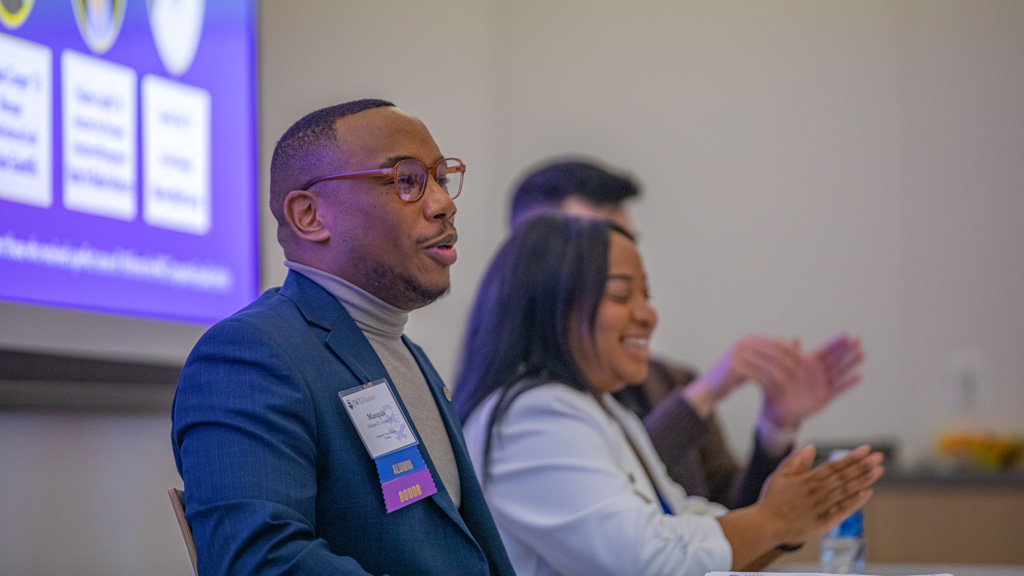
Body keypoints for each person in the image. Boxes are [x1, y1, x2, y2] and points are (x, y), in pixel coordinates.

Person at [171, 99, 515, 576]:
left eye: (440, 177)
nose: (443, 203)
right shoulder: (252, 354)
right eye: (405, 180)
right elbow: (260, 561)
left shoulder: (407, 355)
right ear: (310, 216)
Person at [454, 214, 884, 576]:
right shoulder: (534, 416)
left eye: (647, 294)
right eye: (623, 295)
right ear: (551, 306)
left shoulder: (600, 408)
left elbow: (682, 523)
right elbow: (646, 559)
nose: (648, 314)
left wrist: (788, 523)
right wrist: (774, 520)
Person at [509, 158, 865, 508]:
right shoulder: (524, 403)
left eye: (629, 243)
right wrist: (701, 397)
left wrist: (777, 427)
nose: (646, 313)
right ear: (534, 258)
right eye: (597, 250)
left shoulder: (670, 380)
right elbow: (611, 489)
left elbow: (730, 523)